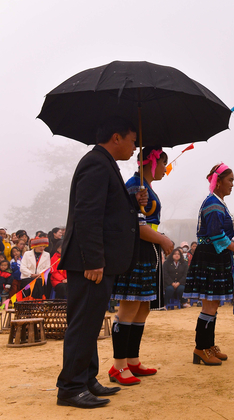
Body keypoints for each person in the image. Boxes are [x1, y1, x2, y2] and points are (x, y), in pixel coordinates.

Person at [56, 117, 146, 409]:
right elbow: (88, 215)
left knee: (92, 321)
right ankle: (70, 387)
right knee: (83, 324)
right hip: (90, 262)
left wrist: (133, 199)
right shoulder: (96, 163)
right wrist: (93, 260)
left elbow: (109, 211)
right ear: (116, 137)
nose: (135, 147)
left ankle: (86, 378)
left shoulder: (105, 163)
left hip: (98, 261)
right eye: (133, 140)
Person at [109, 147, 174, 385]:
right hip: (135, 251)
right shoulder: (135, 186)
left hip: (149, 251)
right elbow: (137, 225)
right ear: (151, 162)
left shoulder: (146, 186)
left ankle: (132, 360)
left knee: (143, 308)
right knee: (128, 307)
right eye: (163, 164)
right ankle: (118, 366)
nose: (166, 171)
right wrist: (163, 239)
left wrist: (159, 239)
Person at [184, 163, 234, 364]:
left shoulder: (217, 202)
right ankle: (201, 348)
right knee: (209, 304)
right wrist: (232, 246)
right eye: (230, 180)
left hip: (215, 256)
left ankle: (208, 346)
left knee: (213, 303)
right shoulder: (213, 205)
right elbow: (215, 233)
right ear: (218, 183)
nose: (232, 184)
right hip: (210, 256)